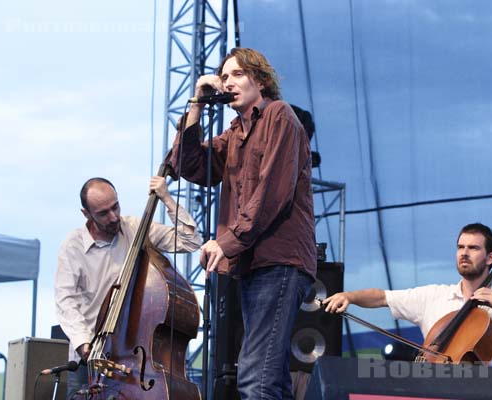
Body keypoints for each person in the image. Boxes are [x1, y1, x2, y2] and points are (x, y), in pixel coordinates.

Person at [171, 47, 316, 399]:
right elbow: (187, 164)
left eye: (237, 74)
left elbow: (271, 195)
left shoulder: (279, 116)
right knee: (271, 375)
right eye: (224, 77)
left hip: (279, 261)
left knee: (257, 377)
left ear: (261, 80)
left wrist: (226, 242)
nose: (228, 82)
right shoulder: (235, 133)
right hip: (252, 265)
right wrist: (196, 104)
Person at [323, 223, 492, 368]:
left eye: (473, 248)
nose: (464, 253)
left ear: (491, 258)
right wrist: (350, 296)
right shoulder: (434, 296)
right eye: (460, 247)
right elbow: (382, 297)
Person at [54, 176, 202, 396]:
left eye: (115, 207)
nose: (114, 217)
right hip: (90, 359)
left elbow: (191, 241)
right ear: (87, 214)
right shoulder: (73, 247)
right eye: (103, 213)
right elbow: (66, 301)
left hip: (132, 360)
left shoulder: (136, 229)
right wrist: (85, 345)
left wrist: (167, 199)